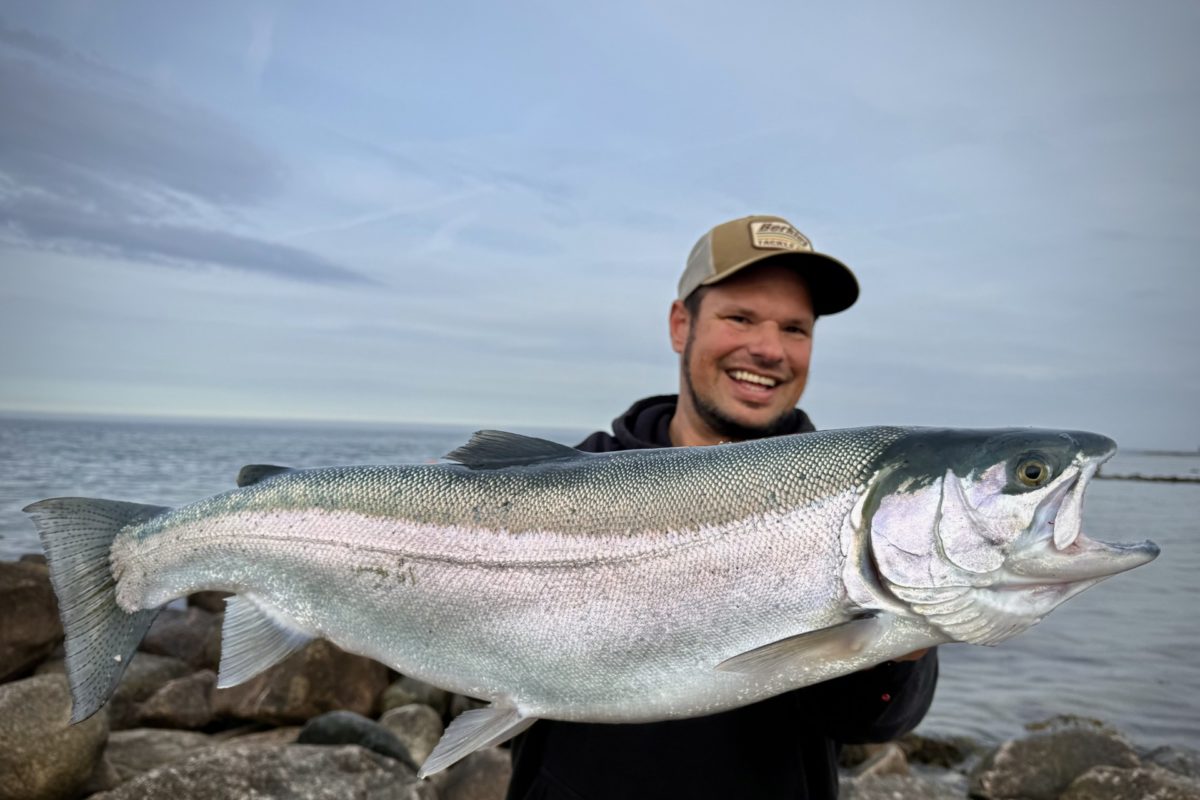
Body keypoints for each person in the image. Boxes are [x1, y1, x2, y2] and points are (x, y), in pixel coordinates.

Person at [505, 215, 939, 800]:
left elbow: (875, 721)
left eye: (795, 328)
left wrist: (900, 634)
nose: (768, 349)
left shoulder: (858, 502)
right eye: (740, 318)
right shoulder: (563, 482)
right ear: (681, 325)